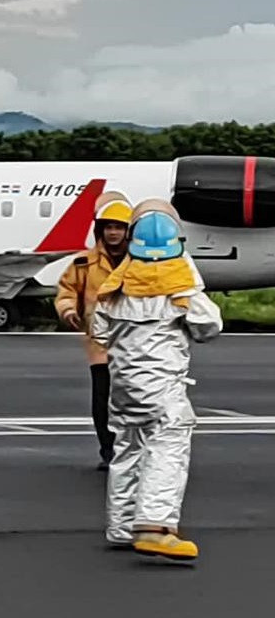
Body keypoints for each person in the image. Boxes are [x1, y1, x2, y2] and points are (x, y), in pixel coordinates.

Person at [91, 199, 223, 561]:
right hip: (162, 385)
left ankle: (121, 525)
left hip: (122, 387)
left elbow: (99, 332)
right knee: (169, 442)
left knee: (128, 447)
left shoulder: (115, 289)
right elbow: (209, 327)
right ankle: (154, 526)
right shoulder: (180, 288)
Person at [55, 191, 133, 470]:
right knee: (102, 400)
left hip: (136, 344)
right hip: (100, 344)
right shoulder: (83, 263)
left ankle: (134, 450)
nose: (113, 233)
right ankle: (108, 449)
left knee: (134, 401)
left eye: (119, 227)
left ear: (128, 231)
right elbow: (66, 291)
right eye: (108, 227)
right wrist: (68, 311)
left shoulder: (140, 263)